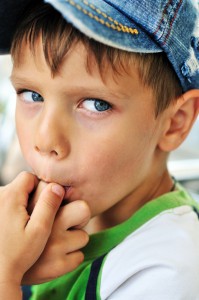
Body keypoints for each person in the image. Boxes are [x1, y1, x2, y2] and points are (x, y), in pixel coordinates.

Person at [0, 0, 199, 299]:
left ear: (174, 123)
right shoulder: (44, 220)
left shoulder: (169, 272)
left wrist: (5, 274)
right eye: (32, 95)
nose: (46, 140)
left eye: (96, 104)